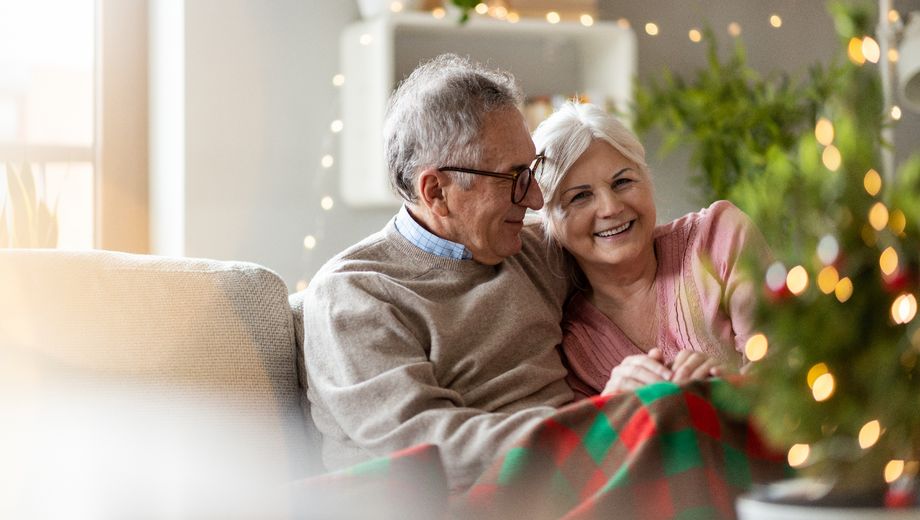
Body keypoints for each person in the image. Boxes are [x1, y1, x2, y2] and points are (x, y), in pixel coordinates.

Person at [302, 54, 574, 492]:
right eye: (515, 177)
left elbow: (649, 251)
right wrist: (588, 432)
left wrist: (718, 228)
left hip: (572, 476)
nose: (537, 199)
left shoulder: (533, 250)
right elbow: (427, 449)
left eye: (533, 170)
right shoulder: (356, 294)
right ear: (437, 192)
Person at [532, 101, 768, 399]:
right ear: (550, 222)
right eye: (580, 197)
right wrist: (613, 405)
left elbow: (791, 370)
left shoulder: (718, 238)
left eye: (622, 182)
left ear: (647, 180)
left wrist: (723, 387)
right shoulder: (569, 345)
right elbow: (587, 442)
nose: (610, 207)